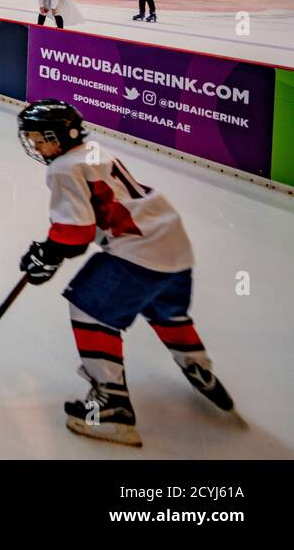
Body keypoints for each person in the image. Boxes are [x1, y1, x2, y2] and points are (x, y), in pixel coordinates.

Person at [15, 100, 234, 447]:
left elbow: (76, 233)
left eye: (41, 139)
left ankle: (113, 405)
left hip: (139, 251)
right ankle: (198, 367)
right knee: (167, 310)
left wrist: (48, 252)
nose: (37, 147)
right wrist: (52, 252)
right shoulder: (91, 151)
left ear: (61, 136)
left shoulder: (61, 169)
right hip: (172, 240)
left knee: (88, 307)